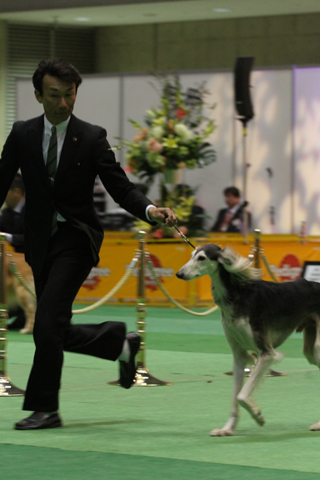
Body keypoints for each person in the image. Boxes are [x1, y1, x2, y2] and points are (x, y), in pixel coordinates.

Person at [0, 58, 177, 430]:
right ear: (38, 95)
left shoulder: (92, 137)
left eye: (70, 94)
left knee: (46, 323)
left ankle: (45, 408)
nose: (64, 103)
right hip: (39, 242)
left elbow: (120, 186)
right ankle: (119, 343)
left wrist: (149, 209)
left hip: (75, 240)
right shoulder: (22, 134)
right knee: (54, 325)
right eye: (55, 95)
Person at [0, 173, 25, 253]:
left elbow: (35, 239)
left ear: (17, 192)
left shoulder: (34, 212)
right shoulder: (6, 213)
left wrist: (7, 237)